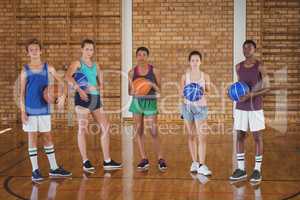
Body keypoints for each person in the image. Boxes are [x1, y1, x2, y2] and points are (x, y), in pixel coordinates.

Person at [65, 39, 122, 173]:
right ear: (82, 49)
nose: (89, 52)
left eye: (91, 49)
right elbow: (68, 77)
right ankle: (85, 161)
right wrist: (80, 89)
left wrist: (95, 88)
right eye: (87, 49)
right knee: (82, 129)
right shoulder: (77, 64)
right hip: (82, 97)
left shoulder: (96, 65)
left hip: (95, 98)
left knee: (106, 126)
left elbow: (100, 85)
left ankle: (107, 161)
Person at [20, 38, 72, 181]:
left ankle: (54, 168)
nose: (34, 52)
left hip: (44, 108)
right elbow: (22, 93)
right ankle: (35, 170)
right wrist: (22, 111)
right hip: (30, 109)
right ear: (28, 53)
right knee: (32, 138)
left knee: (47, 136)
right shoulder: (25, 69)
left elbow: (63, 83)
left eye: (36, 49)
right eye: (31, 50)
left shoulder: (48, 67)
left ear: (41, 51)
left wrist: (63, 95)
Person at [229, 40, 270, 182]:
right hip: (240, 107)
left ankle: (257, 170)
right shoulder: (238, 67)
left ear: (254, 49)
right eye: (244, 47)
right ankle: (241, 169)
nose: (246, 50)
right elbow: (238, 87)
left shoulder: (260, 66)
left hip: (255, 107)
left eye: (249, 47)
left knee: (257, 137)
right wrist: (233, 96)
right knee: (239, 136)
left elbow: (267, 88)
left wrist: (251, 95)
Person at [128, 47, 167, 171]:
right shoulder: (132, 73)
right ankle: (144, 159)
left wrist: (151, 85)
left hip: (150, 102)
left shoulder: (155, 71)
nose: (141, 57)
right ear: (136, 57)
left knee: (153, 131)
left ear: (147, 57)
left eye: (144, 54)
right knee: (138, 131)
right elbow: (129, 92)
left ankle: (161, 158)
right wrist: (136, 91)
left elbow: (160, 91)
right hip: (137, 103)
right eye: (139, 54)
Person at [180, 50, 212, 176]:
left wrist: (200, 91)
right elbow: (181, 93)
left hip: (201, 108)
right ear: (189, 62)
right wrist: (188, 91)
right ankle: (194, 162)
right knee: (191, 136)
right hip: (187, 107)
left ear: (200, 62)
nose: (194, 62)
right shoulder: (184, 77)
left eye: (197, 60)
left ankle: (202, 165)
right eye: (192, 60)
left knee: (202, 136)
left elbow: (208, 91)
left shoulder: (205, 76)